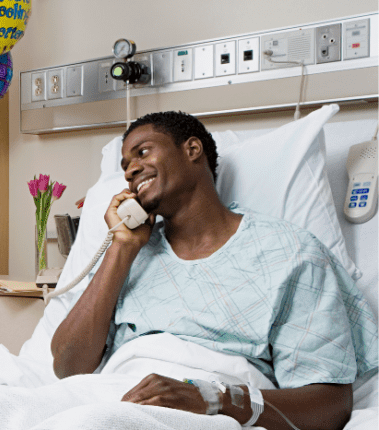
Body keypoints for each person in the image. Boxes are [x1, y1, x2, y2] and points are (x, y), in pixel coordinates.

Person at [51, 111, 378, 430]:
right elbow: (68, 367)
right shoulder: (129, 256)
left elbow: (330, 406)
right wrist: (121, 248)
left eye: (143, 152)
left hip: (206, 410)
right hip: (110, 397)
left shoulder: (289, 252)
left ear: (192, 150)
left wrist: (214, 398)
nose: (131, 170)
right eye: (125, 166)